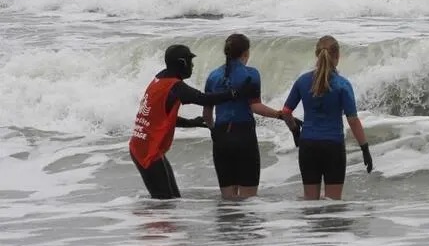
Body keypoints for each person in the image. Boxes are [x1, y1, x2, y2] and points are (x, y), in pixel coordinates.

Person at [129, 44, 256, 199]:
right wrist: (235, 93)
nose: (193, 66)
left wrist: (191, 123)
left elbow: (161, 117)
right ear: (182, 63)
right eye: (191, 61)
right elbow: (203, 99)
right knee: (164, 202)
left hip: (141, 145)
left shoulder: (159, 79)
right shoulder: (174, 86)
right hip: (148, 151)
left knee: (171, 200)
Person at [281, 36, 372, 200]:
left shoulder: (302, 81)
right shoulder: (342, 85)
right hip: (333, 146)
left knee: (310, 203)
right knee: (333, 205)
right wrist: (365, 148)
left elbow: (286, 112)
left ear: (317, 55)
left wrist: (295, 131)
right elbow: (352, 120)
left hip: (308, 145)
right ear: (337, 57)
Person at [202, 34, 292, 200]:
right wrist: (280, 115)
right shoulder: (251, 74)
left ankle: (227, 226)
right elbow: (256, 107)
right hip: (244, 135)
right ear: (245, 53)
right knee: (248, 199)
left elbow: (207, 115)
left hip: (221, 136)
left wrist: (215, 131)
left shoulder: (213, 76)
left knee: (228, 199)